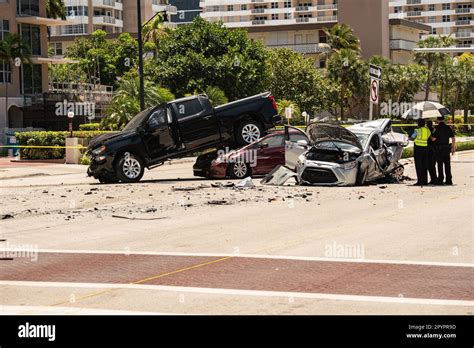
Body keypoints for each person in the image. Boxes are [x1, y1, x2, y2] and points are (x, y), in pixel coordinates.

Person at [432, 116, 456, 185]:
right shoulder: (448, 127)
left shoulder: (436, 128)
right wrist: (453, 147)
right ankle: (449, 180)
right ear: (443, 119)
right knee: (447, 165)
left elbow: (433, 139)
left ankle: (440, 180)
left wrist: (431, 135)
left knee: (440, 165)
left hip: (439, 149)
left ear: (437, 120)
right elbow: (453, 138)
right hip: (446, 148)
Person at [410, 119, 431, 186]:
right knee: (425, 165)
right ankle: (425, 181)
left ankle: (420, 181)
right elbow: (428, 136)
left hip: (418, 149)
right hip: (425, 148)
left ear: (418, 124)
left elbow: (412, 137)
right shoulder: (427, 130)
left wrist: (409, 137)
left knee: (419, 165)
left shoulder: (417, 131)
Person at [426, 120, 438, 185]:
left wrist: (429, 135)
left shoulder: (432, 130)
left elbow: (433, 139)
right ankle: (433, 179)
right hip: (432, 149)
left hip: (430, 149)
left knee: (431, 165)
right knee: (431, 165)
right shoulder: (434, 129)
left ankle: (434, 179)